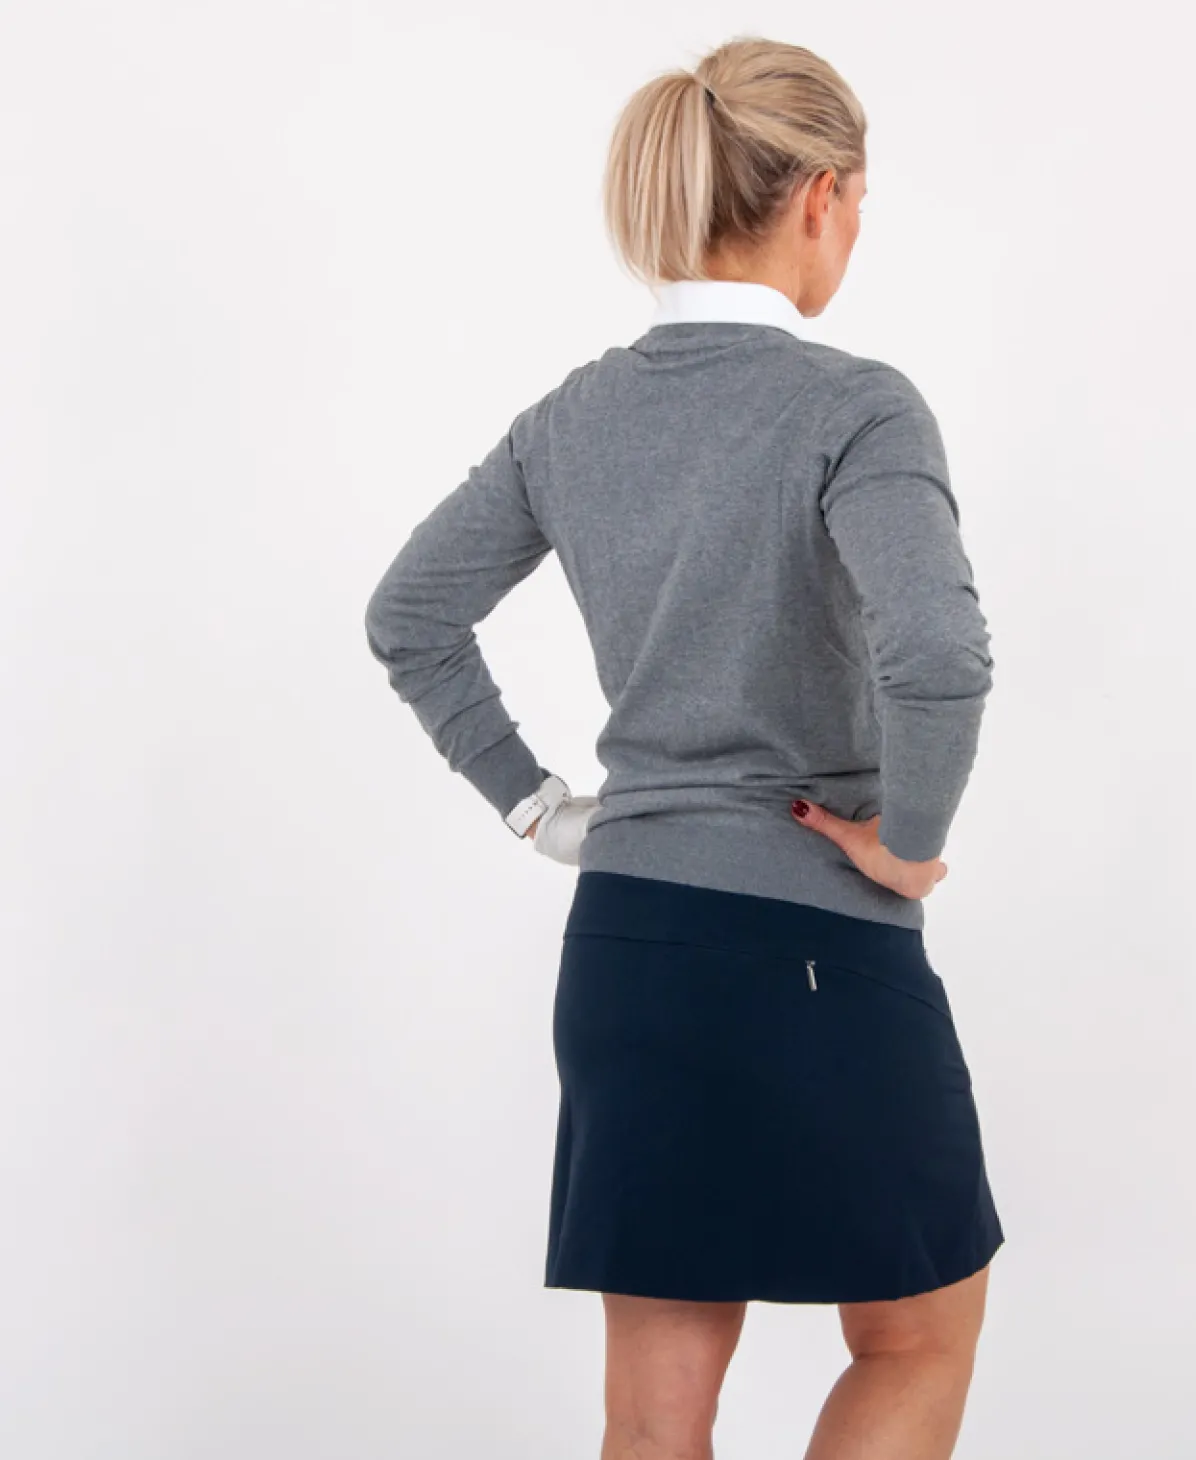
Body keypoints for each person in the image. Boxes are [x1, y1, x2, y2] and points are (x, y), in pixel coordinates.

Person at [363, 34, 1003, 1460]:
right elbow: (939, 655)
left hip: (629, 953)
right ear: (822, 196)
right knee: (915, 1338)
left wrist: (542, 810)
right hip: (815, 947)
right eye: (859, 205)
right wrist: (905, 846)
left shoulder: (573, 418)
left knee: (654, 1422)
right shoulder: (855, 406)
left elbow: (409, 617)